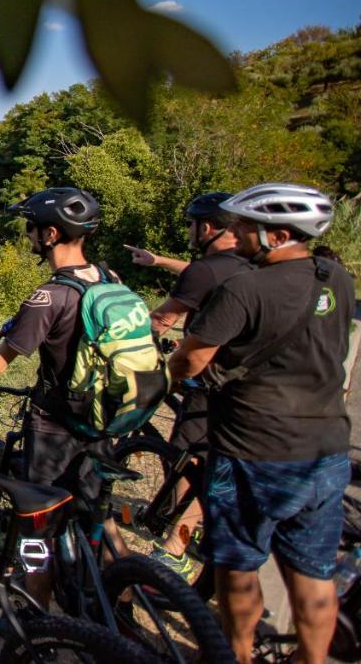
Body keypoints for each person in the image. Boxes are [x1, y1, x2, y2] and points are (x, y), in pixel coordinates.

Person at [168, 183, 354, 664]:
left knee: (237, 564)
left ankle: (236, 654)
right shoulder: (336, 277)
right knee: (313, 574)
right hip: (325, 450)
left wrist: (173, 369)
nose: (236, 234)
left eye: (246, 227)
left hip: (252, 449)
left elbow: (193, 359)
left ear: (278, 235)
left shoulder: (243, 288)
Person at [0, 186, 113, 602]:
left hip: (54, 426)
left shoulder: (49, 296)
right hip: (103, 416)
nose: (28, 235)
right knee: (94, 508)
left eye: (32, 228)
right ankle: (119, 596)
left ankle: (37, 611)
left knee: (38, 526)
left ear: (50, 235)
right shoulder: (109, 278)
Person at [125, 192, 254, 580]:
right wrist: (160, 261)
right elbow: (208, 273)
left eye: (192, 224)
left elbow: (162, 320)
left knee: (190, 459)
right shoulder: (254, 261)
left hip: (209, 377)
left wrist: (126, 340)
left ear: (208, 228)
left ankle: (176, 544)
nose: (189, 231)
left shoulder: (204, 272)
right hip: (252, 380)